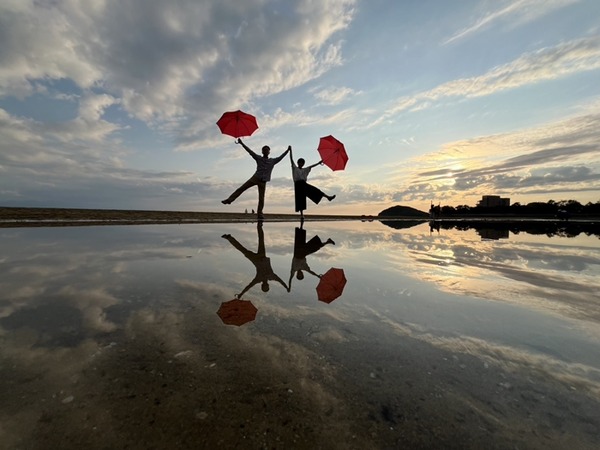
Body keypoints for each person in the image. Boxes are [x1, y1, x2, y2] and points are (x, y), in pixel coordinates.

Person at [222, 138, 291, 220]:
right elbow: (250, 151)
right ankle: (229, 200)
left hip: (263, 181)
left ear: (269, 152)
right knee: (242, 188)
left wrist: (287, 150)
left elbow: (280, 157)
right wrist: (242, 143)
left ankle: (260, 214)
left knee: (261, 199)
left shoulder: (272, 161)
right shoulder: (258, 158)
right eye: (264, 150)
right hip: (255, 178)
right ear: (262, 152)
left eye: (267, 150)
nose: (265, 151)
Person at [222, 222, 289, 298]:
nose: (265, 285)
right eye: (266, 287)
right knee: (260, 240)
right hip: (261, 256)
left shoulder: (259, 279)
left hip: (255, 259)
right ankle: (259, 225)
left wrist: (241, 294)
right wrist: (286, 287)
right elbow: (281, 281)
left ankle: (229, 238)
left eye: (264, 287)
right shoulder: (272, 277)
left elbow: (249, 286)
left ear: (262, 286)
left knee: (242, 249)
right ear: (268, 285)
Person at [290, 148, 335, 221]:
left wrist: (319, 163)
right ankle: (302, 215)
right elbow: (291, 159)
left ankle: (328, 197)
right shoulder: (295, 168)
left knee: (315, 190)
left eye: (302, 163)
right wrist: (290, 150)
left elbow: (312, 166)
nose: (301, 164)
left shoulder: (305, 169)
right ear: (298, 163)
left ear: (303, 164)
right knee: (300, 200)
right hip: (298, 185)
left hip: (304, 184)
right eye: (300, 162)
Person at [288, 225, 334, 290]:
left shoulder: (293, 270)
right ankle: (327, 242)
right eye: (301, 275)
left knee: (300, 234)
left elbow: (290, 279)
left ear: (297, 275)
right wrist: (317, 276)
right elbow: (311, 272)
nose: (300, 274)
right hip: (304, 252)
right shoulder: (305, 268)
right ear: (303, 274)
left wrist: (289, 286)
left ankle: (301, 224)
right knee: (316, 247)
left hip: (297, 252)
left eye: (299, 275)